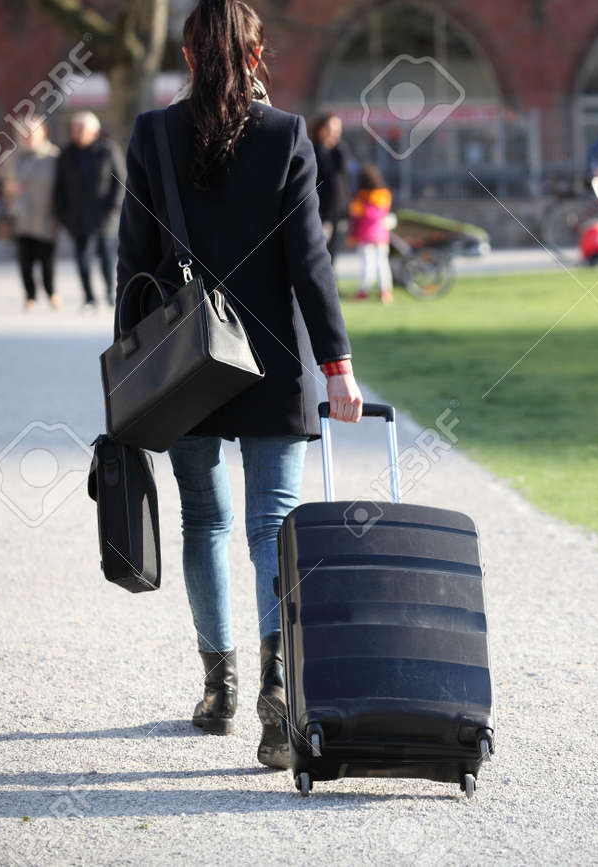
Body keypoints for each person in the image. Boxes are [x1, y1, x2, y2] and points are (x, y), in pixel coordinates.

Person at [116, 0, 363, 770]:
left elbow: (132, 267)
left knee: (205, 522)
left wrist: (130, 371)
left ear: (188, 56)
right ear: (256, 58)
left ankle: (218, 687)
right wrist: (338, 366)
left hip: (184, 363)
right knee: (273, 528)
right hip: (272, 361)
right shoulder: (288, 135)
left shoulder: (154, 135)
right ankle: (275, 695)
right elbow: (310, 264)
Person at [54, 111, 124, 308]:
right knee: (82, 259)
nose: (76, 133)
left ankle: (111, 292)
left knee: (107, 258)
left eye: (81, 129)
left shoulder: (108, 150)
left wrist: (113, 209)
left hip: (104, 217)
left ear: (94, 131)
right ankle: (89, 297)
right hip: (78, 217)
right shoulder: (67, 154)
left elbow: (120, 182)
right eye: (74, 129)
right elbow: (59, 187)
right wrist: (62, 214)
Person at [6, 118, 61, 310]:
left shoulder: (53, 156)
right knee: (25, 259)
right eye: (25, 133)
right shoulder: (15, 157)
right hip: (22, 216)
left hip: (47, 215)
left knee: (47, 259)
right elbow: (5, 183)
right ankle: (30, 295)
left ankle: (51, 291)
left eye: (32, 132)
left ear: (42, 133)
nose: (28, 136)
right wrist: (9, 189)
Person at [348, 164, 394, 303]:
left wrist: (352, 235)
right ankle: (385, 291)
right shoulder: (384, 194)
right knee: (382, 263)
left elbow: (356, 214)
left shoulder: (361, 198)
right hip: (382, 235)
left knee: (368, 264)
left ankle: (364, 290)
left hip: (366, 235)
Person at [310, 112, 352, 263]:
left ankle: (331, 283)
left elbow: (343, 174)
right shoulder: (313, 151)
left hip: (339, 212)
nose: (334, 133)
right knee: (319, 254)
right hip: (322, 212)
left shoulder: (339, 151)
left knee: (334, 252)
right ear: (321, 129)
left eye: (337, 129)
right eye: (330, 128)